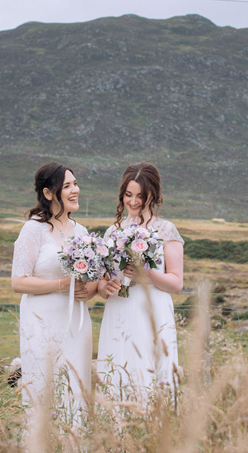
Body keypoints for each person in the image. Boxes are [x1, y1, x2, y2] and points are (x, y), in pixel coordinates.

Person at [11, 162, 96, 421]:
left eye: (76, 184)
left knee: (74, 388)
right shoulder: (33, 229)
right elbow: (19, 282)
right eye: (67, 186)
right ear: (48, 193)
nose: (75, 190)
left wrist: (89, 289)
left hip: (76, 325)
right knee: (43, 386)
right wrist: (62, 285)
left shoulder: (82, 233)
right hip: (41, 322)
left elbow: (90, 281)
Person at [96, 162, 184, 404]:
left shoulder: (166, 230)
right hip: (118, 309)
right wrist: (106, 288)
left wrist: (146, 274)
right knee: (117, 368)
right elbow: (104, 283)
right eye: (128, 195)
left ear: (153, 196)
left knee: (149, 371)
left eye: (140, 197)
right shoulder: (112, 232)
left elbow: (176, 284)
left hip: (152, 309)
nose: (133, 202)